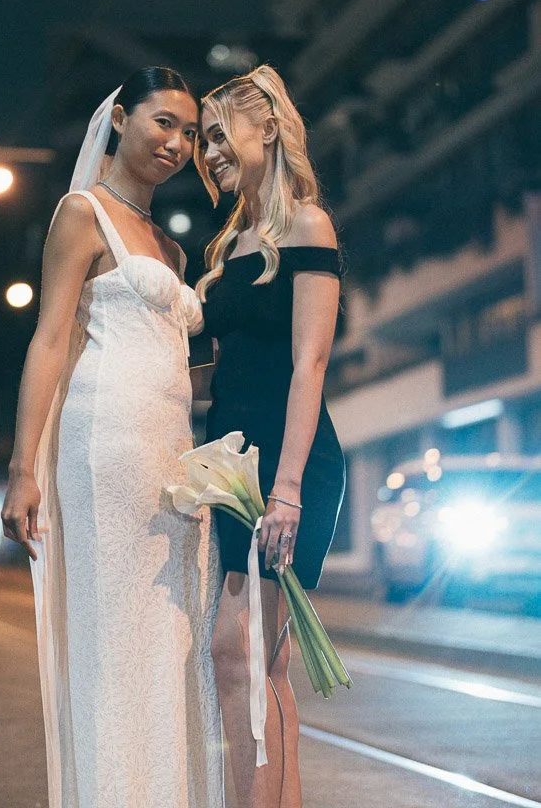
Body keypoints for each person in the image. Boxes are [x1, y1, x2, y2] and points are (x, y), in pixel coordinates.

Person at [1, 67, 224, 808]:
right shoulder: (81, 212)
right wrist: (20, 469)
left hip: (172, 453)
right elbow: (49, 340)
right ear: (122, 120)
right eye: (163, 122)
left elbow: (179, 364)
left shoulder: (172, 247)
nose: (177, 142)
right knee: (112, 642)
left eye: (189, 132)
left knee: (168, 641)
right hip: (105, 443)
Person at [194, 65, 345, 808]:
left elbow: (307, 363)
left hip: (287, 468)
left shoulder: (306, 226)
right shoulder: (228, 246)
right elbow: (217, 373)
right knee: (260, 663)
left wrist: (284, 493)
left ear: (270, 130)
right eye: (202, 140)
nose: (208, 153)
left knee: (237, 653)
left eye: (218, 136)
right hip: (230, 466)